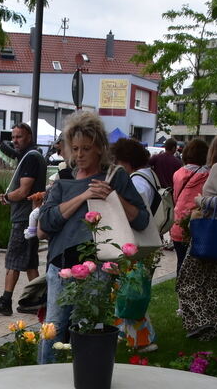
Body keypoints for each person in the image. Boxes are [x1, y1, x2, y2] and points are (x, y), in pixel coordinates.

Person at [36, 110, 149, 364]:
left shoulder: (114, 177)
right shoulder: (63, 179)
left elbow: (141, 220)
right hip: (61, 266)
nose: (79, 155)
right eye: (74, 148)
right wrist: (83, 196)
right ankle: (43, 381)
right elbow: (46, 224)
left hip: (98, 267)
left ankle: (85, 376)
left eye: (85, 148)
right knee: (52, 330)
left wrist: (112, 196)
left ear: (99, 147)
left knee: (87, 327)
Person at [177, 134, 217, 340]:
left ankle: (199, 322)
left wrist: (201, 199)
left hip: (211, 234)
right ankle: (209, 331)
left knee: (187, 281)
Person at [0, 122, 47, 316]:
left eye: (19, 137)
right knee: (29, 262)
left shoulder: (30, 158)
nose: (15, 141)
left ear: (29, 136)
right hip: (31, 217)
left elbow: (24, 190)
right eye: (13, 137)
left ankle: (5, 300)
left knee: (13, 260)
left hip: (23, 218)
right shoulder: (36, 157)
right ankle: (37, 300)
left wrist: (7, 197)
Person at [111, 137, 159, 352]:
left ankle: (142, 340)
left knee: (133, 294)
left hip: (136, 244)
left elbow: (138, 215)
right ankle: (126, 334)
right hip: (139, 245)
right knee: (128, 292)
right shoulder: (147, 176)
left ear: (126, 161)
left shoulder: (136, 182)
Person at [169, 138, 210, 271]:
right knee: (196, 267)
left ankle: (179, 289)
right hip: (197, 225)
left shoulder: (177, 174)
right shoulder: (207, 175)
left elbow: (176, 197)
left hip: (178, 224)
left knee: (181, 262)